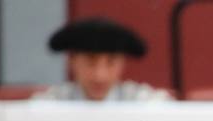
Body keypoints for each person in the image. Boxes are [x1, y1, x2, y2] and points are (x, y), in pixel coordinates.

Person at [33, 17, 171, 101]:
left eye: (111, 62)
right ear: (72, 61)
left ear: (122, 63)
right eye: (90, 62)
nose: (100, 75)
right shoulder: (52, 102)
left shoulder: (142, 100)